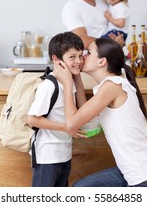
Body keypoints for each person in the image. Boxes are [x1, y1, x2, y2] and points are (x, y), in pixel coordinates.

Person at [53, 37, 147, 187]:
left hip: (146, 177)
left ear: (102, 61)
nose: (82, 56)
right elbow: (85, 117)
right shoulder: (110, 85)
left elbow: (71, 124)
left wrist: (67, 83)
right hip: (130, 171)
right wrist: (76, 79)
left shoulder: (112, 86)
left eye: (88, 52)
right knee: (80, 188)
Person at [26, 31, 86, 187]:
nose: (78, 61)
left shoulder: (68, 81)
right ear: (56, 60)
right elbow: (31, 119)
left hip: (64, 153)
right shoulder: (49, 86)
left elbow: (83, 108)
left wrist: (76, 76)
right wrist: (66, 127)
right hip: (47, 156)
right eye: (72, 57)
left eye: (80, 55)